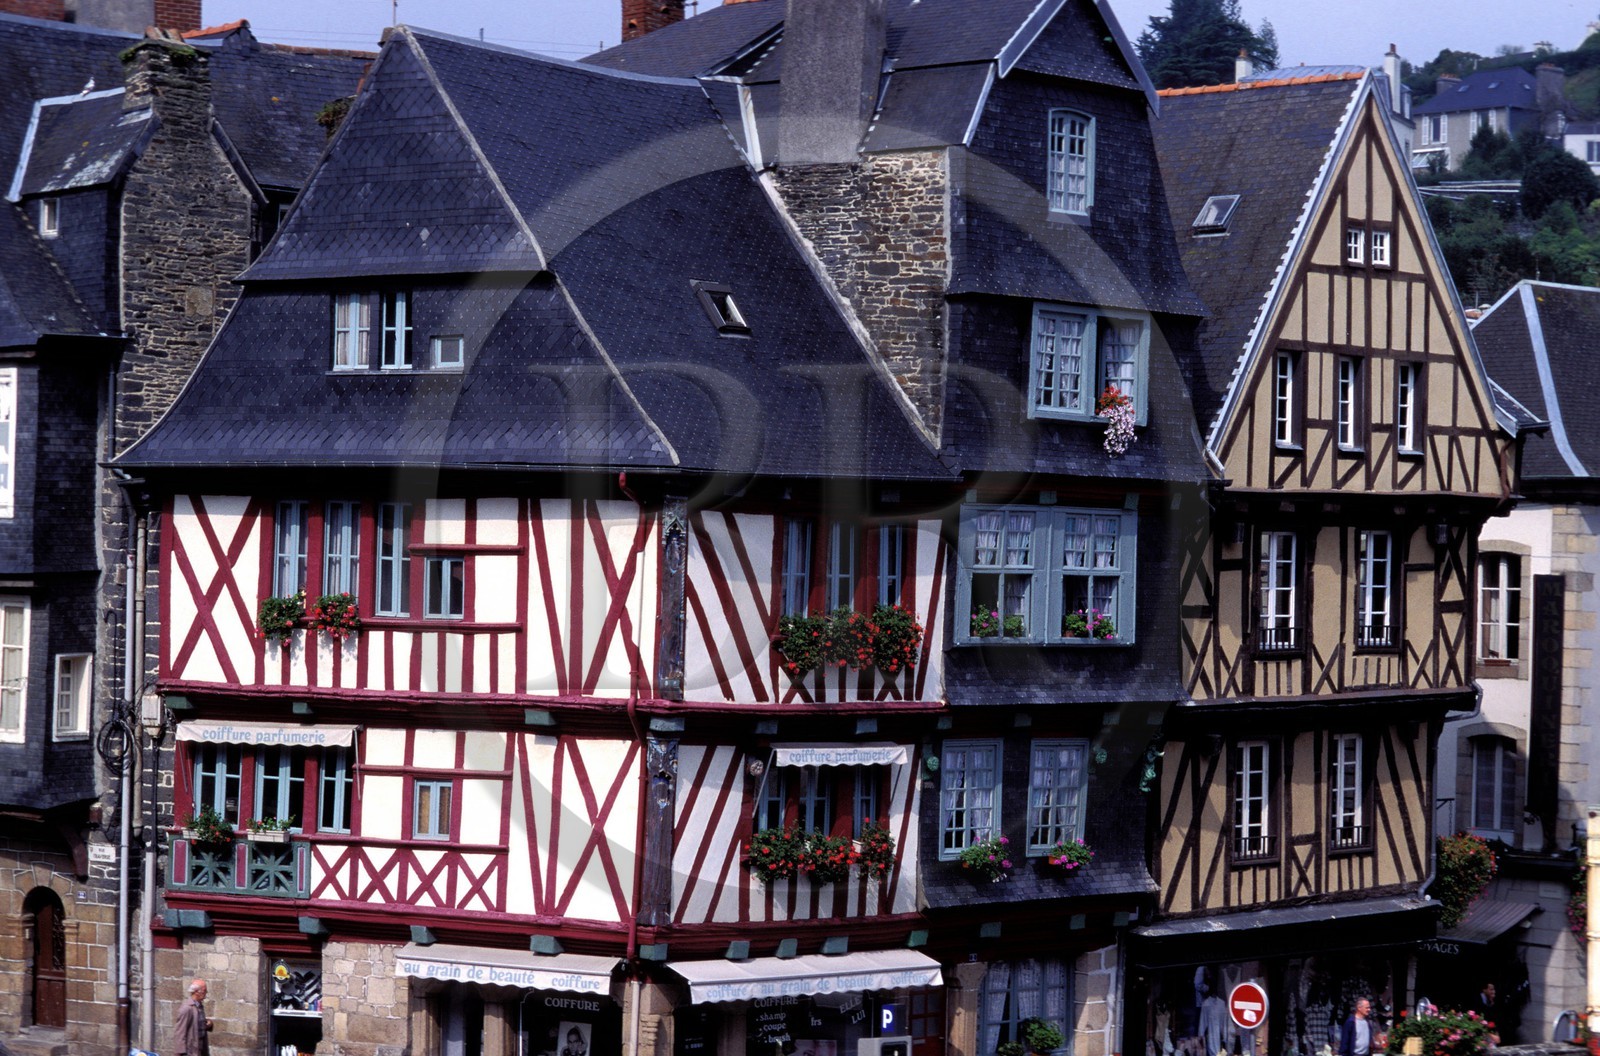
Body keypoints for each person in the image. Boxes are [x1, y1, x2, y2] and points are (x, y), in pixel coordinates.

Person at [173, 978, 213, 1056]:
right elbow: (180, 1032)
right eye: (204, 991)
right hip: (190, 1051)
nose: (206, 994)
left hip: (200, 1048)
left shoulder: (199, 1006)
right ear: (197, 992)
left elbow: (196, 1023)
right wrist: (180, 1053)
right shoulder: (187, 1008)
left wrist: (209, 1024)